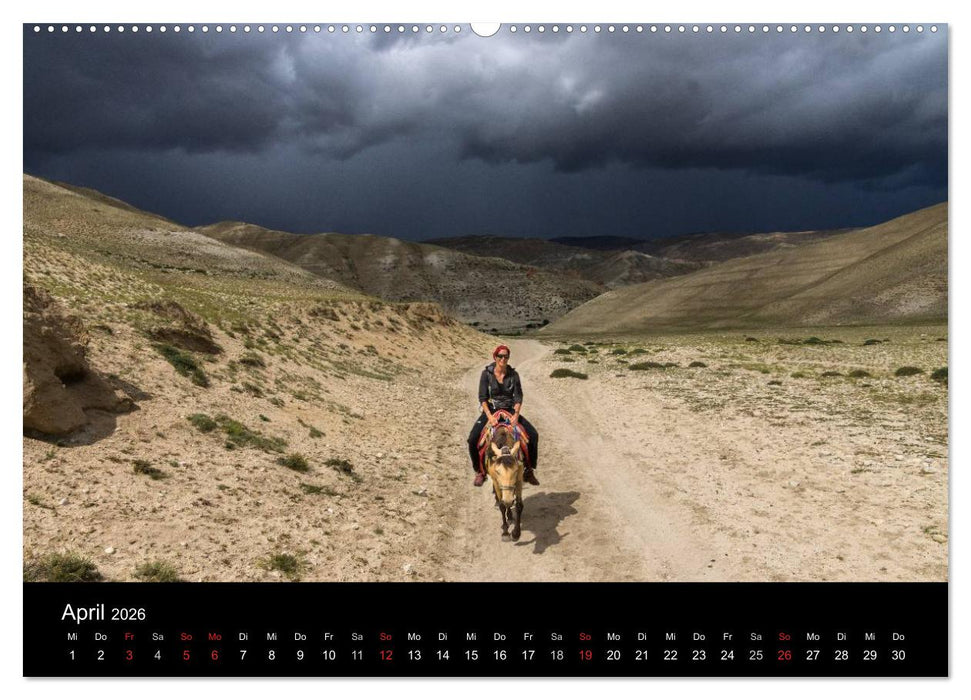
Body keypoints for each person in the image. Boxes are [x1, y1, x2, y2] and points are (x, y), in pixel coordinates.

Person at [467, 344, 540, 487]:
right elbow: (482, 397)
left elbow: (518, 397)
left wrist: (516, 415)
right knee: (472, 439)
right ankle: (479, 471)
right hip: (491, 410)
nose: (503, 358)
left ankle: (529, 470)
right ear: (495, 357)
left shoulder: (514, 375)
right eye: (500, 356)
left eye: (506, 356)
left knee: (533, 435)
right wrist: (489, 416)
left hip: (509, 410)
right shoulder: (486, 374)